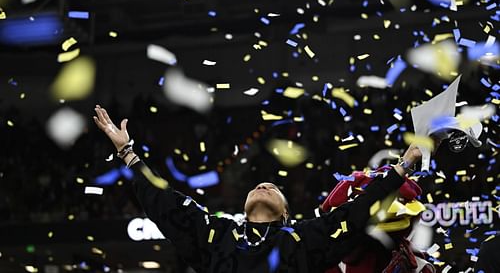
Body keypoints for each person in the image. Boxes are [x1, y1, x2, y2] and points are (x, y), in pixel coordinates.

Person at [93, 105, 427, 273]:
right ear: (243, 206)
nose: (263, 185)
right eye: (258, 185)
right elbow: (162, 201)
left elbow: (356, 211)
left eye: (272, 187)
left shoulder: (303, 238)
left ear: (286, 212)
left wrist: (405, 164)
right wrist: (128, 152)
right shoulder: (215, 232)